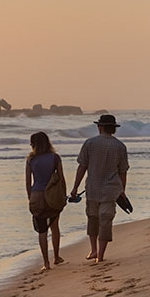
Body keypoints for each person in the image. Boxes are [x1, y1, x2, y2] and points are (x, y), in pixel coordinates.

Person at [70, 114, 129, 263]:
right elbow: (123, 171)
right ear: (113, 129)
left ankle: (93, 250)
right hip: (111, 190)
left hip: (93, 188)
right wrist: (122, 190)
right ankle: (100, 255)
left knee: (92, 218)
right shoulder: (120, 146)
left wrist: (75, 187)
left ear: (100, 127)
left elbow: (82, 167)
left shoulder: (90, 143)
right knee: (106, 220)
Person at [25, 132, 65, 271]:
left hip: (36, 195)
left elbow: (28, 182)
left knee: (42, 231)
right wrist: (63, 195)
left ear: (33, 144)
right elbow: (61, 178)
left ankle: (46, 263)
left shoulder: (31, 160)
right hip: (52, 195)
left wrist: (30, 198)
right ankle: (57, 257)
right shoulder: (55, 158)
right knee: (54, 226)